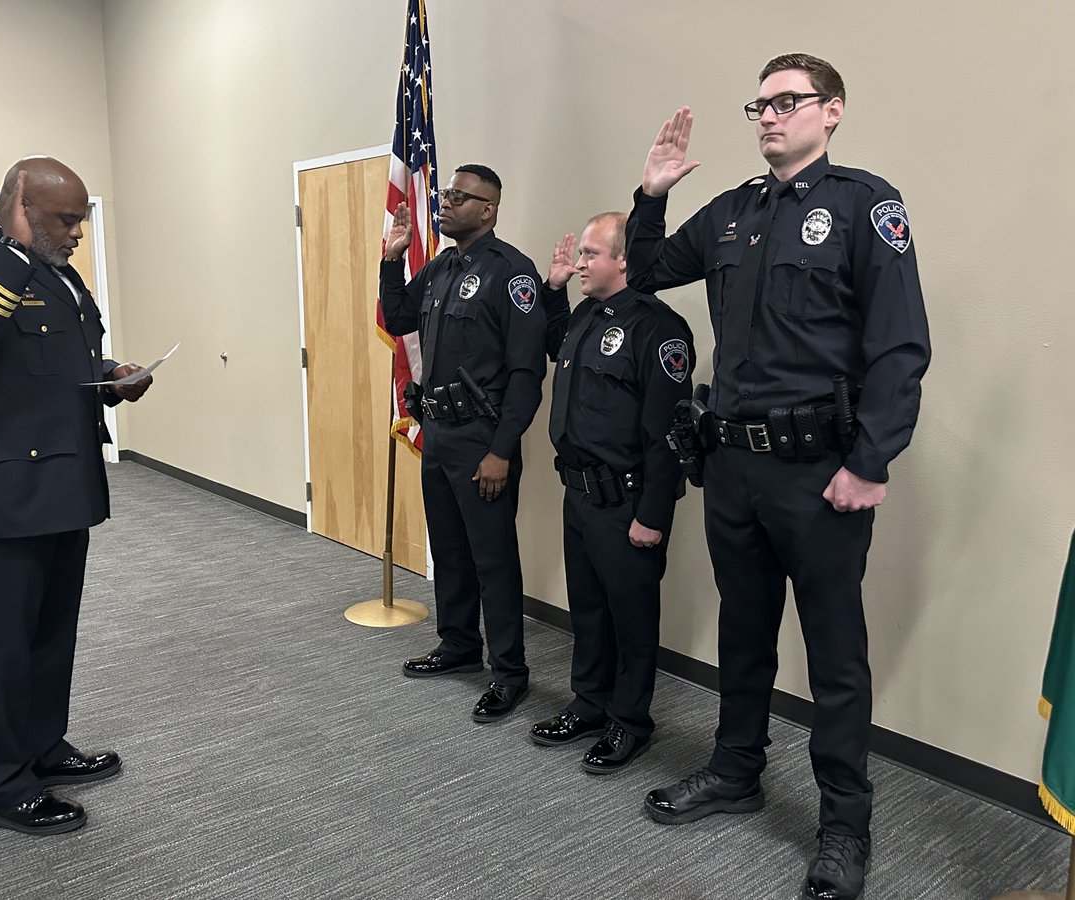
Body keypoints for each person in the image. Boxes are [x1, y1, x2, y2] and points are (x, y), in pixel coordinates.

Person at [625, 55, 930, 900]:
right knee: (743, 633)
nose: (768, 115)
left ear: (831, 112)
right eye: (759, 103)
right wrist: (651, 197)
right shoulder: (729, 214)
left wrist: (871, 463)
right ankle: (735, 771)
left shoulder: (867, 206)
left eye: (787, 101)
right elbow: (647, 272)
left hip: (820, 474)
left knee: (835, 657)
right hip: (732, 467)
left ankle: (844, 826)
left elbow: (901, 348)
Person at [0, 157, 154, 835]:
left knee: (51, 635)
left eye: (81, 219)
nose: (78, 232)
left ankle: (43, 748)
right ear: (21, 206)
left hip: (61, 486)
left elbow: (59, 360)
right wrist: (15, 252)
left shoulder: (56, 269)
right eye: (65, 219)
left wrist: (111, 375)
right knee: (4, 645)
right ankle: (2, 785)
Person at [379, 164, 554, 723]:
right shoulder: (440, 268)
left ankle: (509, 672)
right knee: (449, 549)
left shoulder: (513, 273)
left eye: (459, 196)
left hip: (484, 439)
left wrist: (502, 449)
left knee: (493, 560)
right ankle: (458, 645)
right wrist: (392, 258)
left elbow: (527, 373)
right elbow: (399, 314)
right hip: (440, 432)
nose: (445, 202)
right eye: (446, 193)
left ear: (488, 209)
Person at [528, 213, 694, 773]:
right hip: (579, 495)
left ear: (624, 260)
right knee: (590, 610)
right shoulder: (583, 315)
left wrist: (653, 515)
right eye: (582, 256)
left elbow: (667, 433)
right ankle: (590, 703)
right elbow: (555, 346)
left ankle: (630, 722)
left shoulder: (658, 329)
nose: (580, 264)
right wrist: (552, 289)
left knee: (631, 618)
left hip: (627, 503)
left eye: (591, 255)